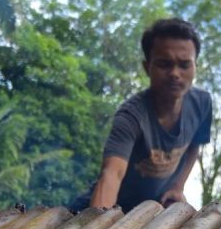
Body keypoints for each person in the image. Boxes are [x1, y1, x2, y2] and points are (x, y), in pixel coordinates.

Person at [73, 18, 212, 212]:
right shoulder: (131, 116)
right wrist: (96, 222)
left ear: (195, 66)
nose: (175, 73)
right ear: (147, 67)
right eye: (164, 64)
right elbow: (112, 173)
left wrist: (177, 186)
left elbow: (193, 146)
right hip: (110, 208)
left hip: (152, 211)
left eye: (184, 65)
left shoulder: (202, 104)